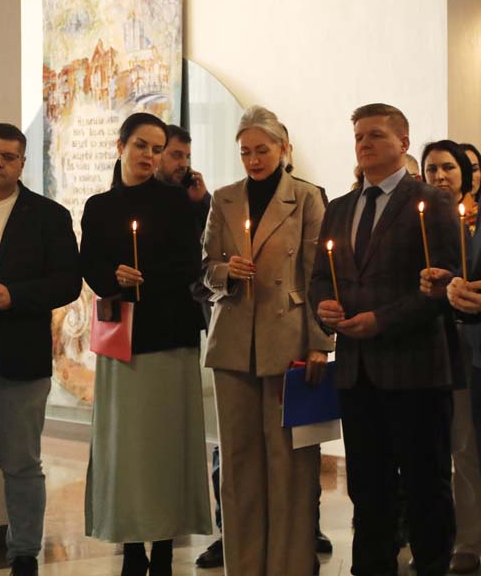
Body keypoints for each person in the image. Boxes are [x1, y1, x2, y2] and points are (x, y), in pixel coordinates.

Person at [310, 103, 459, 576]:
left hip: (415, 367)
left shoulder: (430, 202)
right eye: (359, 136)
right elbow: (321, 276)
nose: (364, 144)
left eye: (375, 135)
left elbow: (443, 284)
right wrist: (324, 306)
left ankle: (431, 566)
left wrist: (382, 320)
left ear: (403, 142)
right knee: (368, 488)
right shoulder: (341, 207)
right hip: (358, 371)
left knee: (425, 486)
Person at [202, 105, 333, 575]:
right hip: (234, 341)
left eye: (262, 150)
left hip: (289, 339)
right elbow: (206, 269)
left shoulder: (308, 198)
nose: (254, 160)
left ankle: (289, 565)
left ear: (283, 148)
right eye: (245, 152)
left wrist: (320, 341)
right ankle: (244, 565)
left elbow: (319, 275)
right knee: (238, 462)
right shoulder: (224, 199)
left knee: (289, 463)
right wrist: (226, 272)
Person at [81, 112, 211, 576]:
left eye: (157, 149)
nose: (149, 156)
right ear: (120, 146)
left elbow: (190, 265)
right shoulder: (99, 206)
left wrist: (146, 276)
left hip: (170, 335)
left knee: (167, 446)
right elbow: (90, 264)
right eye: (141, 146)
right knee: (127, 448)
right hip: (122, 338)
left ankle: (164, 547)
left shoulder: (176, 202)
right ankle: (132, 545)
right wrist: (112, 277)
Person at [0, 123, 82, 576]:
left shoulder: (48, 216)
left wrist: (16, 295)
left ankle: (25, 555)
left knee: (23, 465)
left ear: (22, 164)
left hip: (21, 361)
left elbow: (67, 281)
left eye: (9, 157)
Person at [419, 140, 481, 574]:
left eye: (449, 168)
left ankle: (470, 538)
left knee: (468, 444)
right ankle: (457, 538)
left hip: (471, 343)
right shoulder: (421, 218)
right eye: (431, 169)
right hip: (433, 344)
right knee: (448, 446)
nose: (440, 177)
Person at [155, 123, 210, 228]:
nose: (184, 164)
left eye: (187, 157)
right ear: (157, 154)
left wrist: (202, 199)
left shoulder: (189, 194)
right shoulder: (144, 196)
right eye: (177, 155)